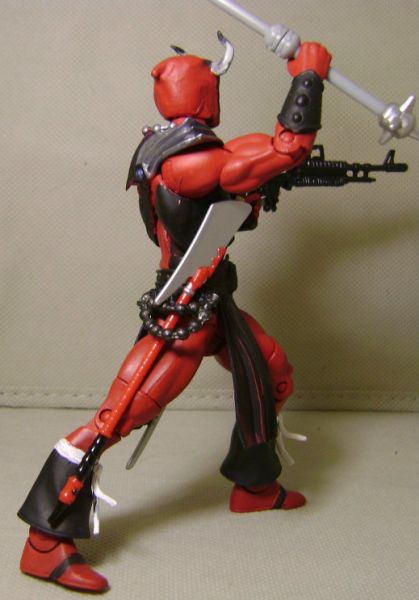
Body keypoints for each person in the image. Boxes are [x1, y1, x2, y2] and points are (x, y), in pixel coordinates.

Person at [18, 33, 332, 593]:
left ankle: (254, 485)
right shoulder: (190, 161)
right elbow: (285, 148)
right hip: (185, 312)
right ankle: (45, 541)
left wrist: (253, 195)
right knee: (117, 417)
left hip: (213, 300)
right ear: (204, 92)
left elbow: (239, 182)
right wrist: (308, 75)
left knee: (270, 374)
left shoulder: (174, 147)